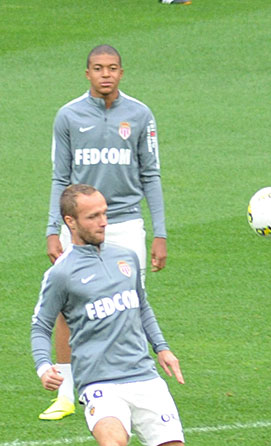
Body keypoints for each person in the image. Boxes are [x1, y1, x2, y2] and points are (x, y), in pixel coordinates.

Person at [31, 184, 191, 446]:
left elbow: (142, 308)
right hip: (99, 383)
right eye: (93, 216)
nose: (104, 221)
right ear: (70, 221)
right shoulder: (61, 273)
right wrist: (44, 366)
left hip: (144, 376)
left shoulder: (125, 258)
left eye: (104, 213)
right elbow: (40, 325)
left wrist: (163, 347)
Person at [40, 44, 168, 420]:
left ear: (122, 73)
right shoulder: (68, 116)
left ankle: (128, 384)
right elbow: (60, 178)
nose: (106, 74)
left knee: (127, 305)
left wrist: (159, 232)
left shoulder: (141, 115)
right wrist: (52, 228)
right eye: (98, 68)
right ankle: (65, 392)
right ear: (87, 74)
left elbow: (151, 175)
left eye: (112, 68)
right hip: (77, 225)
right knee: (66, 308)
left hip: (125, 223)